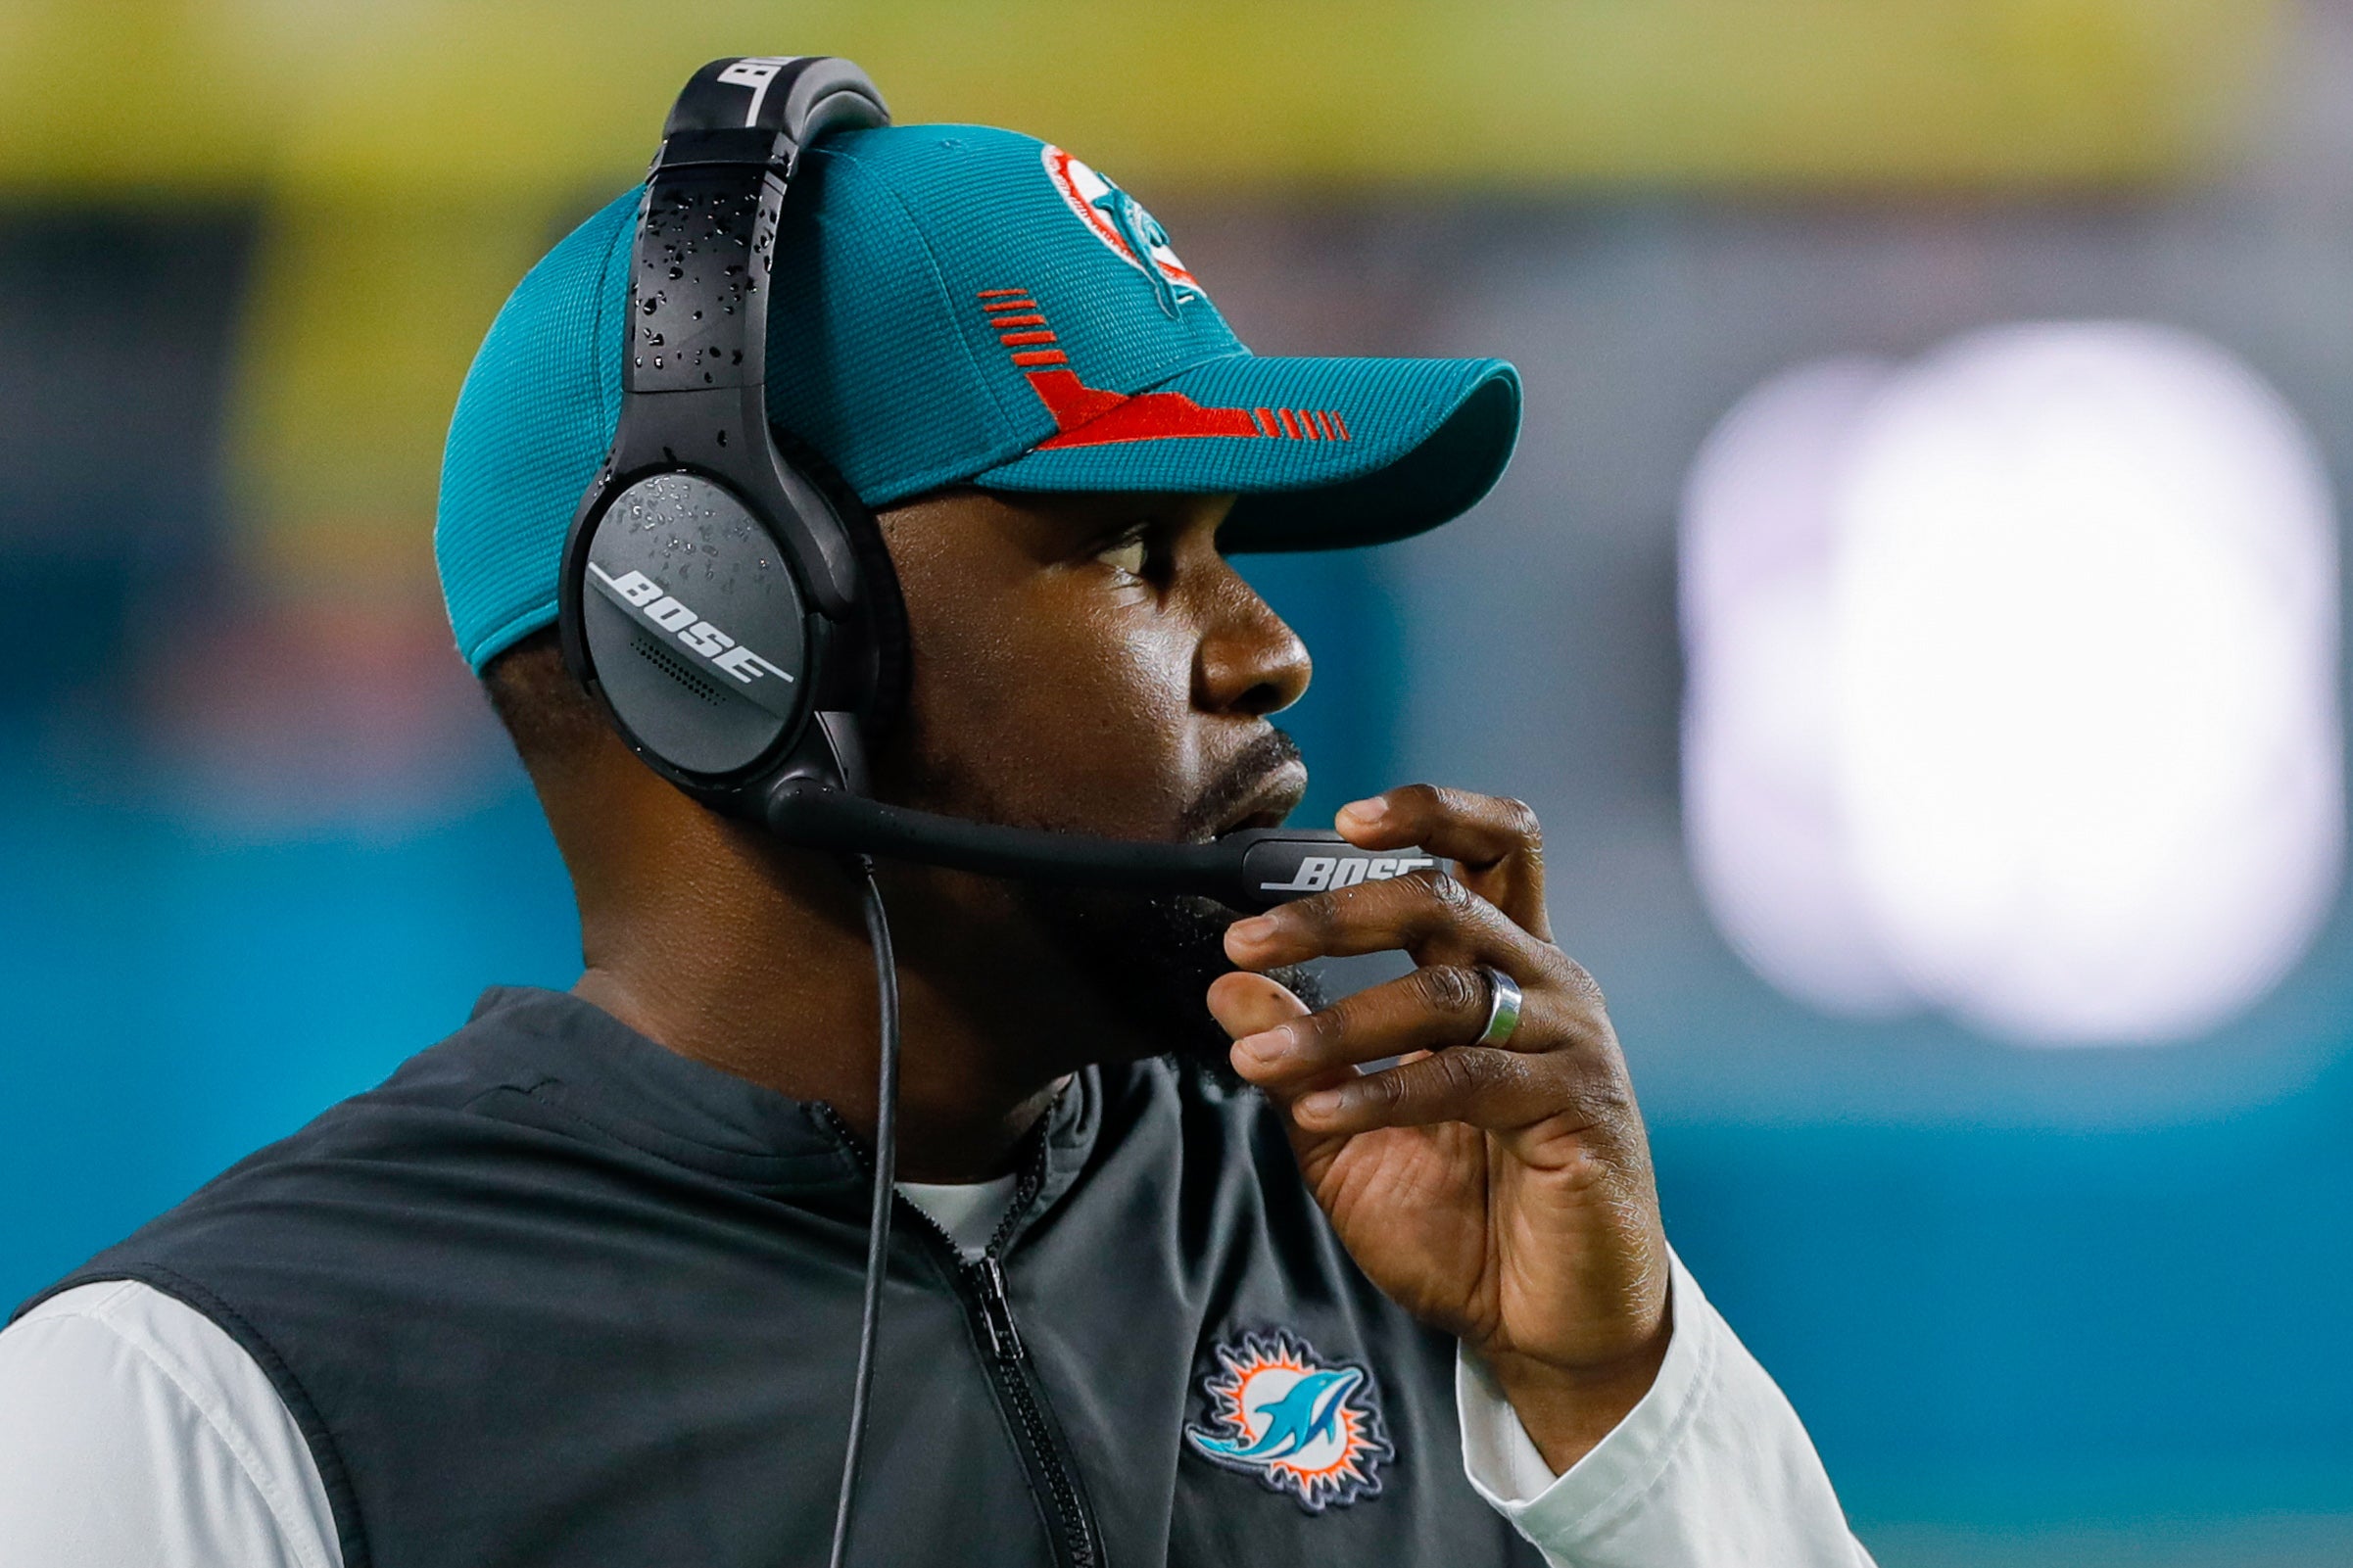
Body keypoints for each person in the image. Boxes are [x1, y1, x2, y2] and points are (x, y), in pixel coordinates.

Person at [0, 116, 1871, 1567]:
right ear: (734, 638)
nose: (1268, 649)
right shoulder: (204, 1400)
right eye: (1135, 552)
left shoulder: (1423, 1247)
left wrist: (1614, 1401)